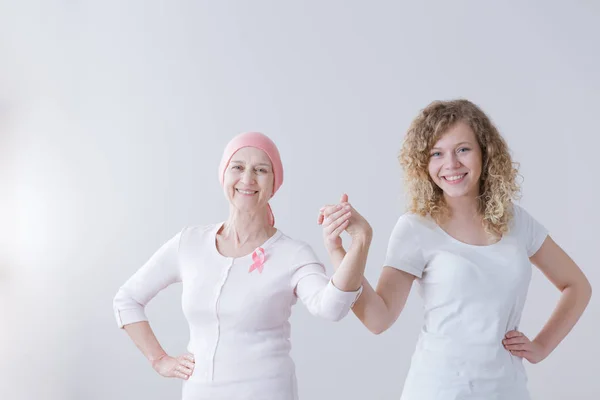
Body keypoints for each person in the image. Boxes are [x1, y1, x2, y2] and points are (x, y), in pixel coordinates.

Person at [319, 99, 592, 399]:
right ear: (424, 164)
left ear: (485, 152)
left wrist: (541, 346)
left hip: (508, 391)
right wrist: (348, 249)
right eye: (437, 153)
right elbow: (378, 318)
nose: (451, 164)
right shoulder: (415, 228)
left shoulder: (517, 222)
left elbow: (577, 286)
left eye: (463, 149)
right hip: (438, 390)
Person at [113, 132, 370, 400]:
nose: (247, 179)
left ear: (274, 185)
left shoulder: (293, 254)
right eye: (238, 167)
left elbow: (332, 307)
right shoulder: (189, 243)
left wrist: (359, 243)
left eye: (261, 170)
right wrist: (159, 360)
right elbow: (127, 299)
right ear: (224, 175)